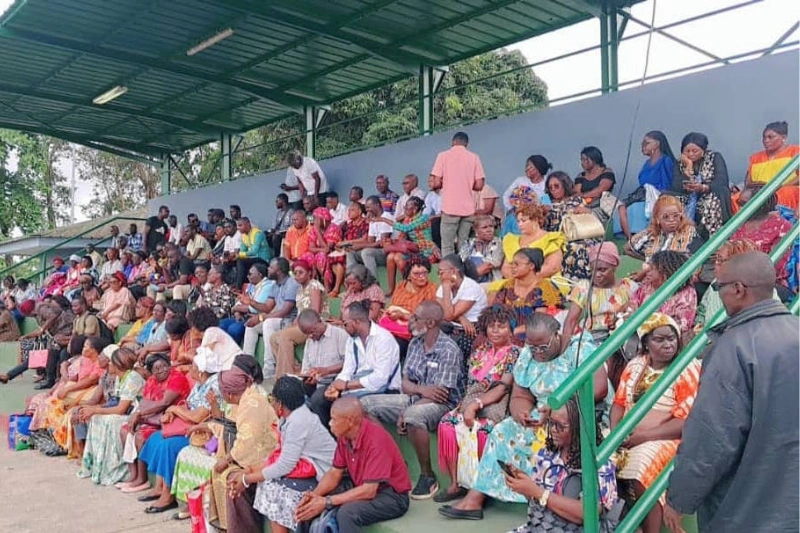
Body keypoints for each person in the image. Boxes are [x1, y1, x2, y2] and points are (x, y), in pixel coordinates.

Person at [663, 252, 799, 533]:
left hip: (746, 510)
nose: (718, 294)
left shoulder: (733, 348)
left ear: (738, 289)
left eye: (718, 286)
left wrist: (679, 499)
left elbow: (711, 437)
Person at [439, 313, 608, 520]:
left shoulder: (579, 349)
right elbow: (520, 395)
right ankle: (476, 498)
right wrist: (522, 413)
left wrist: (558, 407)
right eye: (532, 347)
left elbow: (599, 389)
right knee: (503, 429)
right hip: (540, 415)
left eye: (543, 347)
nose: (538, 353)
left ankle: (541, 497)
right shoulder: (528, 354)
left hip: (573, 413)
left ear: (557, 335)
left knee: (548, 433)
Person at [361, 301, 463, 500]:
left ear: (431, 322)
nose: (410, 321)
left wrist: (410, 406)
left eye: (416, 318)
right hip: (416, 397)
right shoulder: (416, 343)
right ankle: (390, 459)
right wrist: (421, 390)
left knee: (414, 415)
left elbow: (442, 394)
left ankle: (427, 475)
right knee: (365, 405)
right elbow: (406, 383)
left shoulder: (448, 349)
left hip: (445, 405)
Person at [610, 312, 701, 533]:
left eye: (671, 338)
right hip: (629, 434)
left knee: (641, 467)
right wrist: (615, 434)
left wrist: (642, 437)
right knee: (601, 462)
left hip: (666, 437)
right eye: (659, 340)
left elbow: (684, 421)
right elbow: (619, 404)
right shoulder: (634, 365)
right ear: (646, 343)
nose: (668, 345)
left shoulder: (687, 368)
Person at [435, 305, 519, 502]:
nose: (496, 330)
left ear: (511, 329)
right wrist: (466, 406)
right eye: (491, 326)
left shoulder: (515, 353)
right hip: (472, 399)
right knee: (447, 424)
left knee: (484, 431)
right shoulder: (480, 350)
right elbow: (471, 384)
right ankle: (456, 484)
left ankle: (481, 488)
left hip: (498, 404)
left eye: (501, 326)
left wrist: (475, 405)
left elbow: (503, 388)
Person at [294, 397, 411, 533]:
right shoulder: (345, 436)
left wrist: (327, 501)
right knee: (309, 507)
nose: (330, 423)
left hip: (392, 496)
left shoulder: (376, 441)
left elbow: (369, 490)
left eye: (334, 419)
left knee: (347, 513)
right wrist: (314, 496)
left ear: (350, 421)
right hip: (362, 485)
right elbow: (334, 473)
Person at [503, 396, 620, 532]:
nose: (553, 429)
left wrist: (538, 492)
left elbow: (587, 515)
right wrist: (525, 486)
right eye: (551, 423)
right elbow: (537, 502)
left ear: (578, 428)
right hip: (543, 527)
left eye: (560, 426)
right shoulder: (546, 455)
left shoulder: (600, 464)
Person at [245, 376, 337, 533]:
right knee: (268, 484)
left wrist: (246, 479)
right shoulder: (288, 417)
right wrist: (254, 469)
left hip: (323, 475)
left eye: (272, 399)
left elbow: (285, 465)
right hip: (305, 467)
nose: (271, 403)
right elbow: (279, 455)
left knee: (274, 489)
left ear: (280, 403)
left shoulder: (299, 421)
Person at [136, 349, 223, 514]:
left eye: (194, 366)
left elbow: (198, 416)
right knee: (155, 437)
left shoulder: (214, 386)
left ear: (202, 370)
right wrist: (171, 412)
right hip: (187, 424)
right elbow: (187, 404)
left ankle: (168, 496)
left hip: (201, 431)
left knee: (168, 446)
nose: (190, 368)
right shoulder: (200, 384)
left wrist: (174, 408)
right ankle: (159, 487)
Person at [207, 355, 278, 532]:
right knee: (219, 474)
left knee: (235, 481)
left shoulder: (252, 402)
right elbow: (227, 422)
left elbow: (247, 441)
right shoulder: (245, 397)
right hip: (254, 457)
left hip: (268, 459)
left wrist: (227, 459)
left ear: (229, 393)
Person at [313, 302, 401, 428]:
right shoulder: (352, 341)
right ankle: (335, 443)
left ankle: (371, 442)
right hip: (360, 386)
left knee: (348, 406)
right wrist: (335, 387)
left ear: (356, 322)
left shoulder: (383, 339)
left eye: (345, 324)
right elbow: (347, 370)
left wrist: (347, 386)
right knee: (319, 398)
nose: (344, 327)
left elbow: (380, 378)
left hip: (386, 389)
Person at [562, 242, 638, 387]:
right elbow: (571, 321)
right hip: (590, 338)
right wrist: (564, 351)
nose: (597, 274)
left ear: (614, 267)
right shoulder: (584, 287)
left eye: (603, 269)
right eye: (594, 270)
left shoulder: (628, 287)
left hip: (618, 339)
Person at [118, 353, 191, 493]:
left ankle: (142, 479)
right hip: (151, 417)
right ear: (151, 371)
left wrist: (142, 413)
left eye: (164, 366)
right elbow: (145, 402)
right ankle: (133, 476)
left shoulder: (176, 377)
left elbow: (165, 403)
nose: (162, 370)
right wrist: (139, 414)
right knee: (125, 430)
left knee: (140, 436)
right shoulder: (151, 380)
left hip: (167, 420)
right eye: (156, 368)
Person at [29, 336, 111, 455]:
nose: (83, 348)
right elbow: (74, 376)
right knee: (51, 403)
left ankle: (63, 443)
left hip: (90, 394)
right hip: (81, 392)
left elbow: (90, 381)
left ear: (93, 350)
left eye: (86, 346)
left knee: (63, 408)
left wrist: (68, 389)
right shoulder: (85, 360)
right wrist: (64, 382)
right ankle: (49, 437)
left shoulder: (100, 365)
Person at [76, 346, 145, 485]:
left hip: (138, 416)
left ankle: (114, 466)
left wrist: (95, 409)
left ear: (118, 365)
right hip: (126, 413)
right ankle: (99, 465)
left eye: (111, 362)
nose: (109, 365)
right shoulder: (121, 377)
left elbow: (121, 409)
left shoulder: (132, 377)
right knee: (95, 418)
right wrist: (93, 409)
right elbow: (116, 403)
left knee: (110, 420)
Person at [492, 248, 567, 343]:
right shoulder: (507, 286)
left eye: (517, 264)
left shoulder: (544, 288)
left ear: (531, 266)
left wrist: (514, 331)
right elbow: (494, 312)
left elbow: (538, 322)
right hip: (504, 332)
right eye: (512, 264)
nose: (512, 267)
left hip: (531, 335)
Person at [430, 131, 486, 256]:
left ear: (452, 142)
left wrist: (447, 183)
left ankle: (449, 273)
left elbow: (436, 182)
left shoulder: (443, 156)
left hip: (450, 208)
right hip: (468, 209)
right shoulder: (474, 157)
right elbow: (479, 185)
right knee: (464, 245)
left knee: (447, 245)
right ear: (466, 144)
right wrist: (466, 183)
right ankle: (464, 272)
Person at [541, 171, 604, 281]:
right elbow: (543, 229)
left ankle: (587, 284)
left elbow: (593, 218)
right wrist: (542, 215)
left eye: (556, 186)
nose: (553, 189)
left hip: (582, 235)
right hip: (558, 238)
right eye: (550, 187)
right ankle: (573, 283)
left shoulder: (577, 200)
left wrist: (587, 211)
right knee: (573, 247)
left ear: (565, 185)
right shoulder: (546, 206)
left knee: (585, 246)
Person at [271, 259, 327, 379]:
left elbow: (315, 312)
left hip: (315, 324)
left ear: (309, 273)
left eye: (301, 272)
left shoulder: (314, 285)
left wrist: (294, 328)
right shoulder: (300, 290)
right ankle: (295, 371)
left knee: (285, 336)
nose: (297, 276)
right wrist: (293, 326)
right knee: (274, 338)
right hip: (302, 324)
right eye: (295, 273)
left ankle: (283, 378)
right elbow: (300, 313)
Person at [669, 132, 731, 239]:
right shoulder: (680, 163)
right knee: (667, 199)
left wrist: (703, 187)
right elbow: (676, 185)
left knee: (717, 195)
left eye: (695, 151)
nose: (691, 154)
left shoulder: (714, 157)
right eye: (687, 151)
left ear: (703, 151)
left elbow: (722, 180)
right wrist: (688, 166)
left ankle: (711, 239)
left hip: (708, 193)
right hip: (688, 196)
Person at [245, 257, 299, 378]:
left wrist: (261, 318)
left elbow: (285, 311)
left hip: (290, 320)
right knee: (251, 326)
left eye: (271, 267)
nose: (268, 270)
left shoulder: (292, 284)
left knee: (268, 323)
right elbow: (267, 307)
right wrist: (251, 302)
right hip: (278, 319)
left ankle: (269, 367)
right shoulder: (275, 285)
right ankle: (247, 365)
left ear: (279, 271)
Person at [618, 131, 677, 239]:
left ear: (657, 144)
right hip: (642, 193)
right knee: (621, 207)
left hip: (657, 194)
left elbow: (668, 184)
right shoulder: (647, 163)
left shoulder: (665, 161)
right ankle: (630, 239)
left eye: (647, 143)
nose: (643, 146)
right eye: (642, 143)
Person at [626, 250, 697, 337]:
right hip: (638, 333)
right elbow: (632, 306)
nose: (647, 271)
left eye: (652, 268)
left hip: (665, 339)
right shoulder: (647, 286)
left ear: (665, 273)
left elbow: (683, 325)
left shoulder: (686, 293)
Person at [731, 188, 792, 288]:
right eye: (739, 202)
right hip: (736, 276)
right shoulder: (739, 223)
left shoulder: (780, 226)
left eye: (744, 203)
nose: (740, 207)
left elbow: (778, 266)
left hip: (766, 282)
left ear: (760, 204)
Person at [382, 196, 438, 295]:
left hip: (425, 251)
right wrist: (393, 241)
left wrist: (384, 219)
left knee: (398, 257)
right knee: (391, 256)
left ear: (415, 208)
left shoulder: (423, 217)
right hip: (414, 249)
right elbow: (402, 237)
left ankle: (411, 286)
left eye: (407, 207)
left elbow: (406, 229)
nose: (405, 209)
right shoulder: (408, 219)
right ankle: (391, 290)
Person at [378, 255, 438, 348]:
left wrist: (403, 315)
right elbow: (393, 307)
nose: (422, 277)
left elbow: (428, 319)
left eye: (424, 273)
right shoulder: (401, 286)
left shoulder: (431, 289)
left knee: (393, 345)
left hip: (414, 332)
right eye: (416, 274)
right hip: (393, 327)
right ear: (408, 275)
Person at [626, 194, 704, 263]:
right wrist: (648, 261)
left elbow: (697, 259)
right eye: (665, 217)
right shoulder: (651, 233)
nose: (671, 220)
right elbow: (628, 249)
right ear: (657, 219)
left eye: (676, 215)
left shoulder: (689, 231)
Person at [740, 120, 799, 211]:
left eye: (770, 137)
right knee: (736, 198)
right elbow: (748, 181)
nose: (766, 141)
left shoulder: (795, 151)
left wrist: (779, 186)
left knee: (781, 194)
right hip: (758, 191)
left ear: (783, 138)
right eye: (764, 137)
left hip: (785, 189)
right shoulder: (755, 157)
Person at [436, 254, 488, 356]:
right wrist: (460, 318)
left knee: (454, 344)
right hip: (456, 324)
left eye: (441, 272)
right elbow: (438, 309)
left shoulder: (470, 287)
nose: (439, 276)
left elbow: (448, 315)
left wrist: (446, 290)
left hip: (473, 327)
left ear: (453, 271)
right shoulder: (444, 285)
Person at [500, 203, 566, 280]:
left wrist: (527, 278)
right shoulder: (512, 240)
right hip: (514, 281)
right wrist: (516, 279)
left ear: (536, 220)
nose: (519, 225)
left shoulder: (551, 238)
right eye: (518, 221)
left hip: (544, 281)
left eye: (523, 221)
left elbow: (553, 267)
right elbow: (505, 267)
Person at [296, 310, 348, 400]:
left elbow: (349, 363)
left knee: (318, 398)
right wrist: (309, 377)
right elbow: (306, 369)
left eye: (313, 331)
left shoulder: (339, 335)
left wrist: (328, 370)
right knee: (291, 389)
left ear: (320, 321)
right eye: (308, 334)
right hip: (316, 383)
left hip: (335, 382)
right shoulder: (309, 342)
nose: (311, 336)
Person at [224, 262, 272, 345]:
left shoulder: (267, 286)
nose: (247, 276)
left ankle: (234, 353)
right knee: (220, 325)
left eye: (250, 274)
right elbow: (240, 302)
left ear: (259, 274)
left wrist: (236, 308)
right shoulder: (251, 285)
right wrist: (237, 313)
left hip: (256, 318)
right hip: (243, 316)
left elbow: (253, 309)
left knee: (233, 329)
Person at [345, 196, 393, 280]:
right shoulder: (373, 219)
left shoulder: (386, 217)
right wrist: (355, 246)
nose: (367, 210)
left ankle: (373, 284)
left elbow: (382, 243)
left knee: (366, 252)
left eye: (368, 207)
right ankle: (352, 280)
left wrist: (361, 246)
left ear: (377, 205)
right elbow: (370, 241)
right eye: (366, 207)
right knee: (351, 252)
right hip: (376, 250)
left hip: (385, 252)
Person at [328, 202, 369, 297]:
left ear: (359, 212)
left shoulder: (365, 223)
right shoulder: (349, 225)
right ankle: (345, 286)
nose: (349, 212)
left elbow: (364, 239)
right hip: (347, 249)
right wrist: (340, 246)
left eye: (352, 210)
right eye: (348, 210)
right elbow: (345, 239)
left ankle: (337, 288)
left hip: (359, 249)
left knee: (340, 260)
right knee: (333, 259)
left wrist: (347, 243)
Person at [574, 146, 616, 221]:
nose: (583, 162)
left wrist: (584, 195)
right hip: (583, 204)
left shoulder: (606, 172)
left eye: (586, 159)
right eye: (582, 160)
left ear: (594, 159)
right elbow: (576, 193)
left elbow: (601, 190)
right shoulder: (581, 176)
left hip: (602, 205)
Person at [458, 215, 503, 284]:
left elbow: (488, 265)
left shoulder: (497, 243)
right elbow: (460, 262)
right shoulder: (469, 243)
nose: (489, 230)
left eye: (491, 226)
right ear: (476, 230)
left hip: (490, 283)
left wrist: (467, 279)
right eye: (484, 227)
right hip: (470, 281)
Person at [306, 207, 341, 289]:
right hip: (319, 253)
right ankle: (310, 288)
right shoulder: (313, 230)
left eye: (316, 218)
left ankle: (327, 286)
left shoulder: (334, 228)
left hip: (332, 254)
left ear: (323, 219)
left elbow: (328, 248)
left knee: (322, 256)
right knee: (305, 257)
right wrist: (321, 250)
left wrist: (318, 231)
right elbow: (311, 248)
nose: (314, 221)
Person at [235, 217, 269, 289]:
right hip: (253, 259)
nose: (238, 228)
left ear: (248, 224)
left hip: (263, 259)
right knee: (237, 260)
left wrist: (240, 255)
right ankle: (242, 286)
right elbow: (242, 250)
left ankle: (238, 287)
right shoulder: (244, 236)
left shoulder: (258, 233)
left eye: (240, 225)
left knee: (241, 261)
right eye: (237, 226)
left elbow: (254, 251)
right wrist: (239, 255)